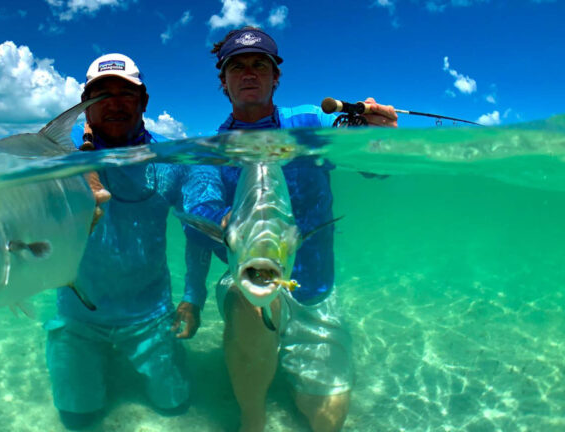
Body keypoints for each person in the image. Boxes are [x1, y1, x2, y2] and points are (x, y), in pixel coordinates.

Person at [196, 27, 398, 432]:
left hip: (314, 289)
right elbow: (200, 201)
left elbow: (374, 167)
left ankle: (284, 362)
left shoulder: (311, 122)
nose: (249, 73)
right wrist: (224, 222)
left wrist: (378, 139)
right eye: (237, 67)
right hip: (246, 273)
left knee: (327, 420)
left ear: (276, 77)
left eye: (260, 65)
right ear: (223, 81)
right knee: (247, 302)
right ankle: (251, 414)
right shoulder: (210, 150)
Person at [43, 53, 224, 430]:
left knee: (174, 405)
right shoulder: (60, 165)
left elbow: (198, 230)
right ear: (84, 110)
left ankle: (127, 355)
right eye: (99, 95)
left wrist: (193, 299)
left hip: (150, 314)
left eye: (126, 93)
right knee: (78, 418)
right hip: (77, 316)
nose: (113, 102)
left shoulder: (174, 160)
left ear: (144, 102)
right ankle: (96, 359)